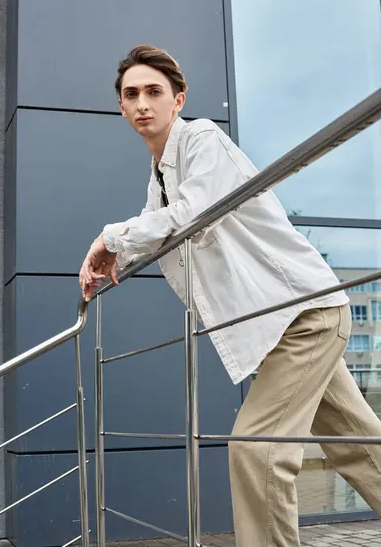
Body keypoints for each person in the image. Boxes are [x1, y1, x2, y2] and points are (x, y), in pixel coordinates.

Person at [79, 45, 381, 546]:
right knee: (360, 446)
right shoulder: (158, 179)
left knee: (255, 450)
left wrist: (111, 239)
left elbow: (195, 213)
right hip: (288, 322)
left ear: (179, 99)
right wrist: (120, 254)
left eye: (154, 92)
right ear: (121, 108)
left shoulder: (201, 140)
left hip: (304, 313)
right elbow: (165, 235)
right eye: (131, 95)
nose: (142, 104)